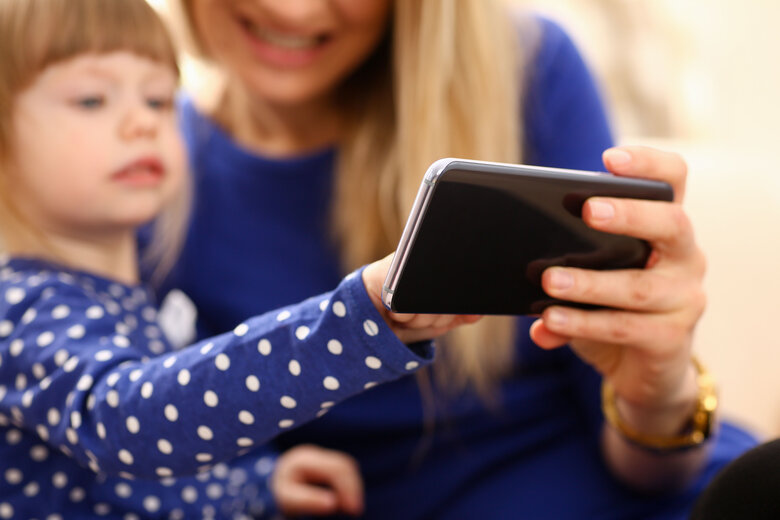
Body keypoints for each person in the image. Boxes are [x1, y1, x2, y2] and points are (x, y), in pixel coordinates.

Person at [164, 0, 758, 518]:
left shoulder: (528, 68)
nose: (292, 9)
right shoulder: (146, 174)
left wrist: (659, 391)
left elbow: (655, 471)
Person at [0, 0, 479, 518]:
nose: (142, 122)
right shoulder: (22, 308)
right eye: (92, 100)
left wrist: (256, 484)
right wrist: (350, 325)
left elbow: (141, 482)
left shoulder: (142, 291)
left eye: (160, 100)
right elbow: (131, 424)